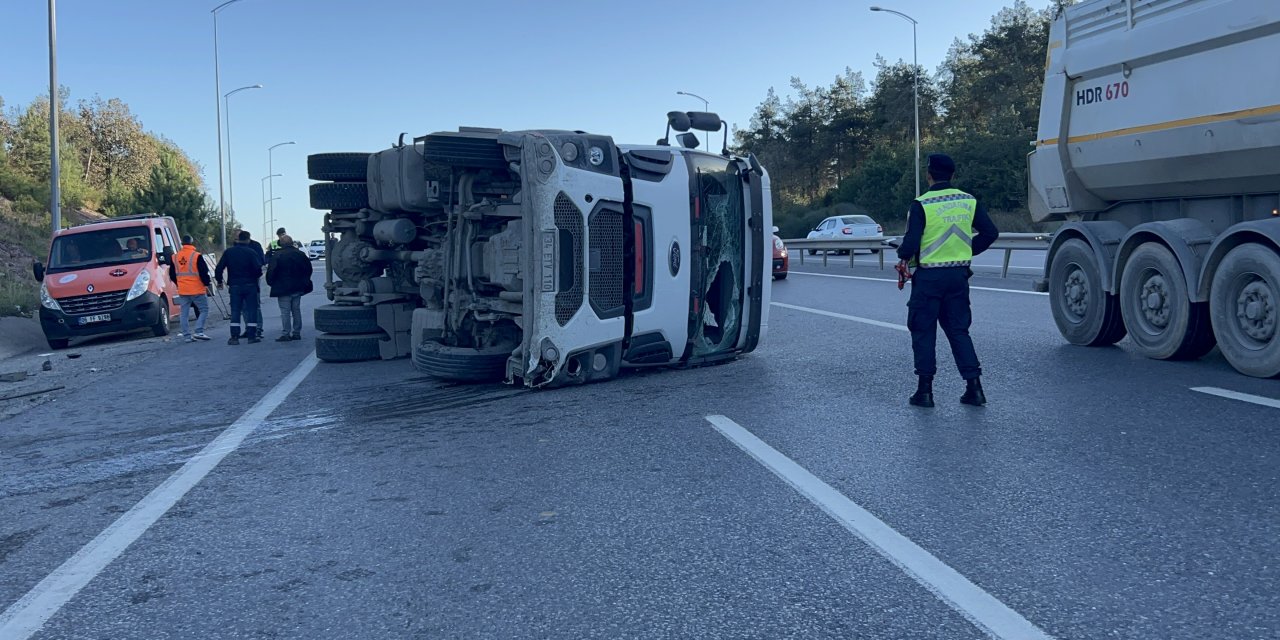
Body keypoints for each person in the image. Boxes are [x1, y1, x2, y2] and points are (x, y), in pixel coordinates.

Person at [896, 153, 999, 408]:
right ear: (953, 175)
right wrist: (967, 250)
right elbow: (990, 232)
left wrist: (902, 257)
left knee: (923, 330)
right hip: (958, 276)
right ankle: (974, 388)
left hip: (929, 277)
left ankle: (925, 392)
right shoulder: (968, 201)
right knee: (958, 330)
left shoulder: (921, 204)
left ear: (929, 175)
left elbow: (911, 241)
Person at [214, 230, 265, 344]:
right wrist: (254, 278)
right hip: (250, 285)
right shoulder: (251, 252)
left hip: (235, 285)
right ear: (247, 240)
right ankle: (252, 336)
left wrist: (219, 281)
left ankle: (234, 337)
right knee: (252, 309)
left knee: (236, 310)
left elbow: (219, 268)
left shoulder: (229, 252)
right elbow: (258, 269)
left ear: (238, 239)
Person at [266, 234, 313, 341]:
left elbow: (271, 271)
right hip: (298, 287)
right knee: (296, 310)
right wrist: (305, 281)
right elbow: (308, 269)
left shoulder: (278, 255)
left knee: (285, 311)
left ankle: (286, 333)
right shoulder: (300, 254)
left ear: (281, 244)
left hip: (282, 287)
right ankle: (297, 332)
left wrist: (271, 283)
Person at [169, 235, 212, 342]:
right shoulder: (196, 256)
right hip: (197, 288)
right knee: (204, 310)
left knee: (184, 313)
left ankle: (187, 336)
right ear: (192, 243)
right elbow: (203, 272)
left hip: (183, 290)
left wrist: (179, 283)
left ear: (182, 244)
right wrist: (207, 283)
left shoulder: (175, 257)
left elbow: (172, 274)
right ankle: (199, 331)